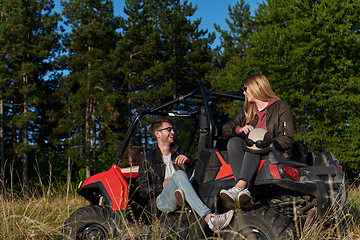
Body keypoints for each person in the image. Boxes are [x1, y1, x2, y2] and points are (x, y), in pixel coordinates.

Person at [138, 118, 234, 233]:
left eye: (173, 129)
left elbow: (195, 174)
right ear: (157, 134)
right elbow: (143, 190)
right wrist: (162, 184)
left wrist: (189, 161)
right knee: (178, 174)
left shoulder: (181, 151)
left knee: (195, 170)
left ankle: (184, 196)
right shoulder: (148, 160)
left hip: (183, 188)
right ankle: (209, 218)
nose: (173, 132)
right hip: (163, 199)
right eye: (169, 129)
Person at [220, 73, 295, 206]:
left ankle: (240, 187)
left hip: (274, 152)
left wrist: (266, 144)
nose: (244, 93)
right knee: (234, 141)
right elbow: (226, 129)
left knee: (256, 137)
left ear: (257, 87)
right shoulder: (246, 110)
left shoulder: (280, 107)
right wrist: (239, 129)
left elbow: (287, 138)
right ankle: (243, 190)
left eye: (245, 89)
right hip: (250, 152)